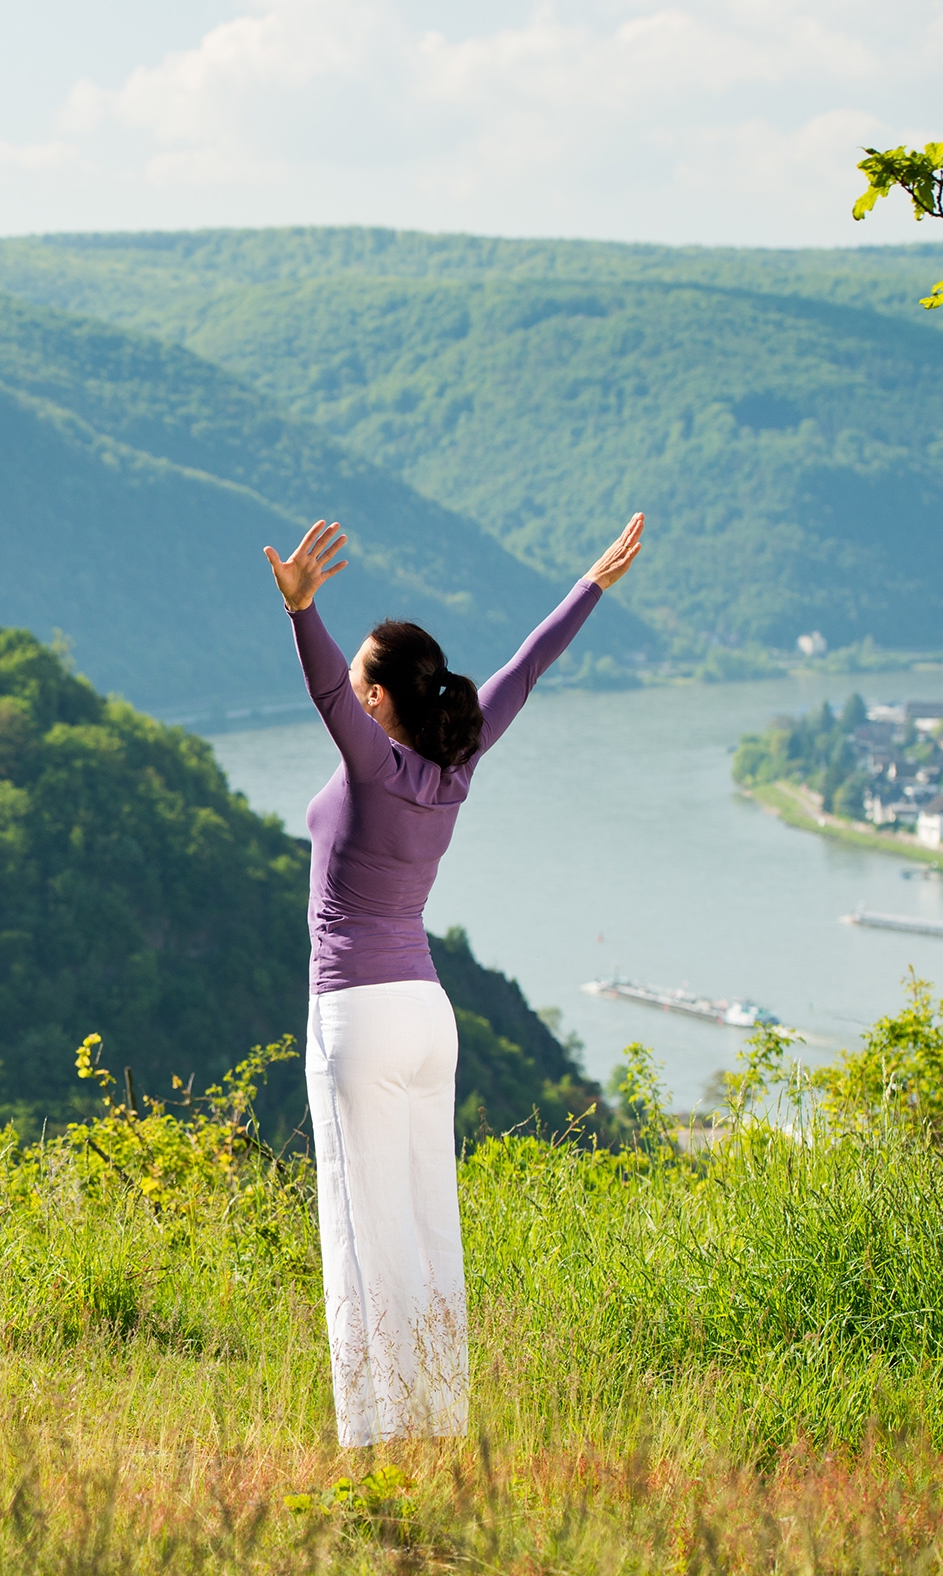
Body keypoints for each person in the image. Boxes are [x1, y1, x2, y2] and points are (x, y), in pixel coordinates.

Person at [262, 512, 645, 1448]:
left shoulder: (374, 761)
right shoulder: (454, 766)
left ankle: (371, 1448)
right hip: (429, 1021)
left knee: (361, 1231)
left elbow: (322, 691)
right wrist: (589, 585)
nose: (351, 697)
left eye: (362, 683)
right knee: (429, 1230)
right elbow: (529, 664)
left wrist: (303, 613)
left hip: (355, 1014)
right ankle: (436, 1422)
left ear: (382, 701)